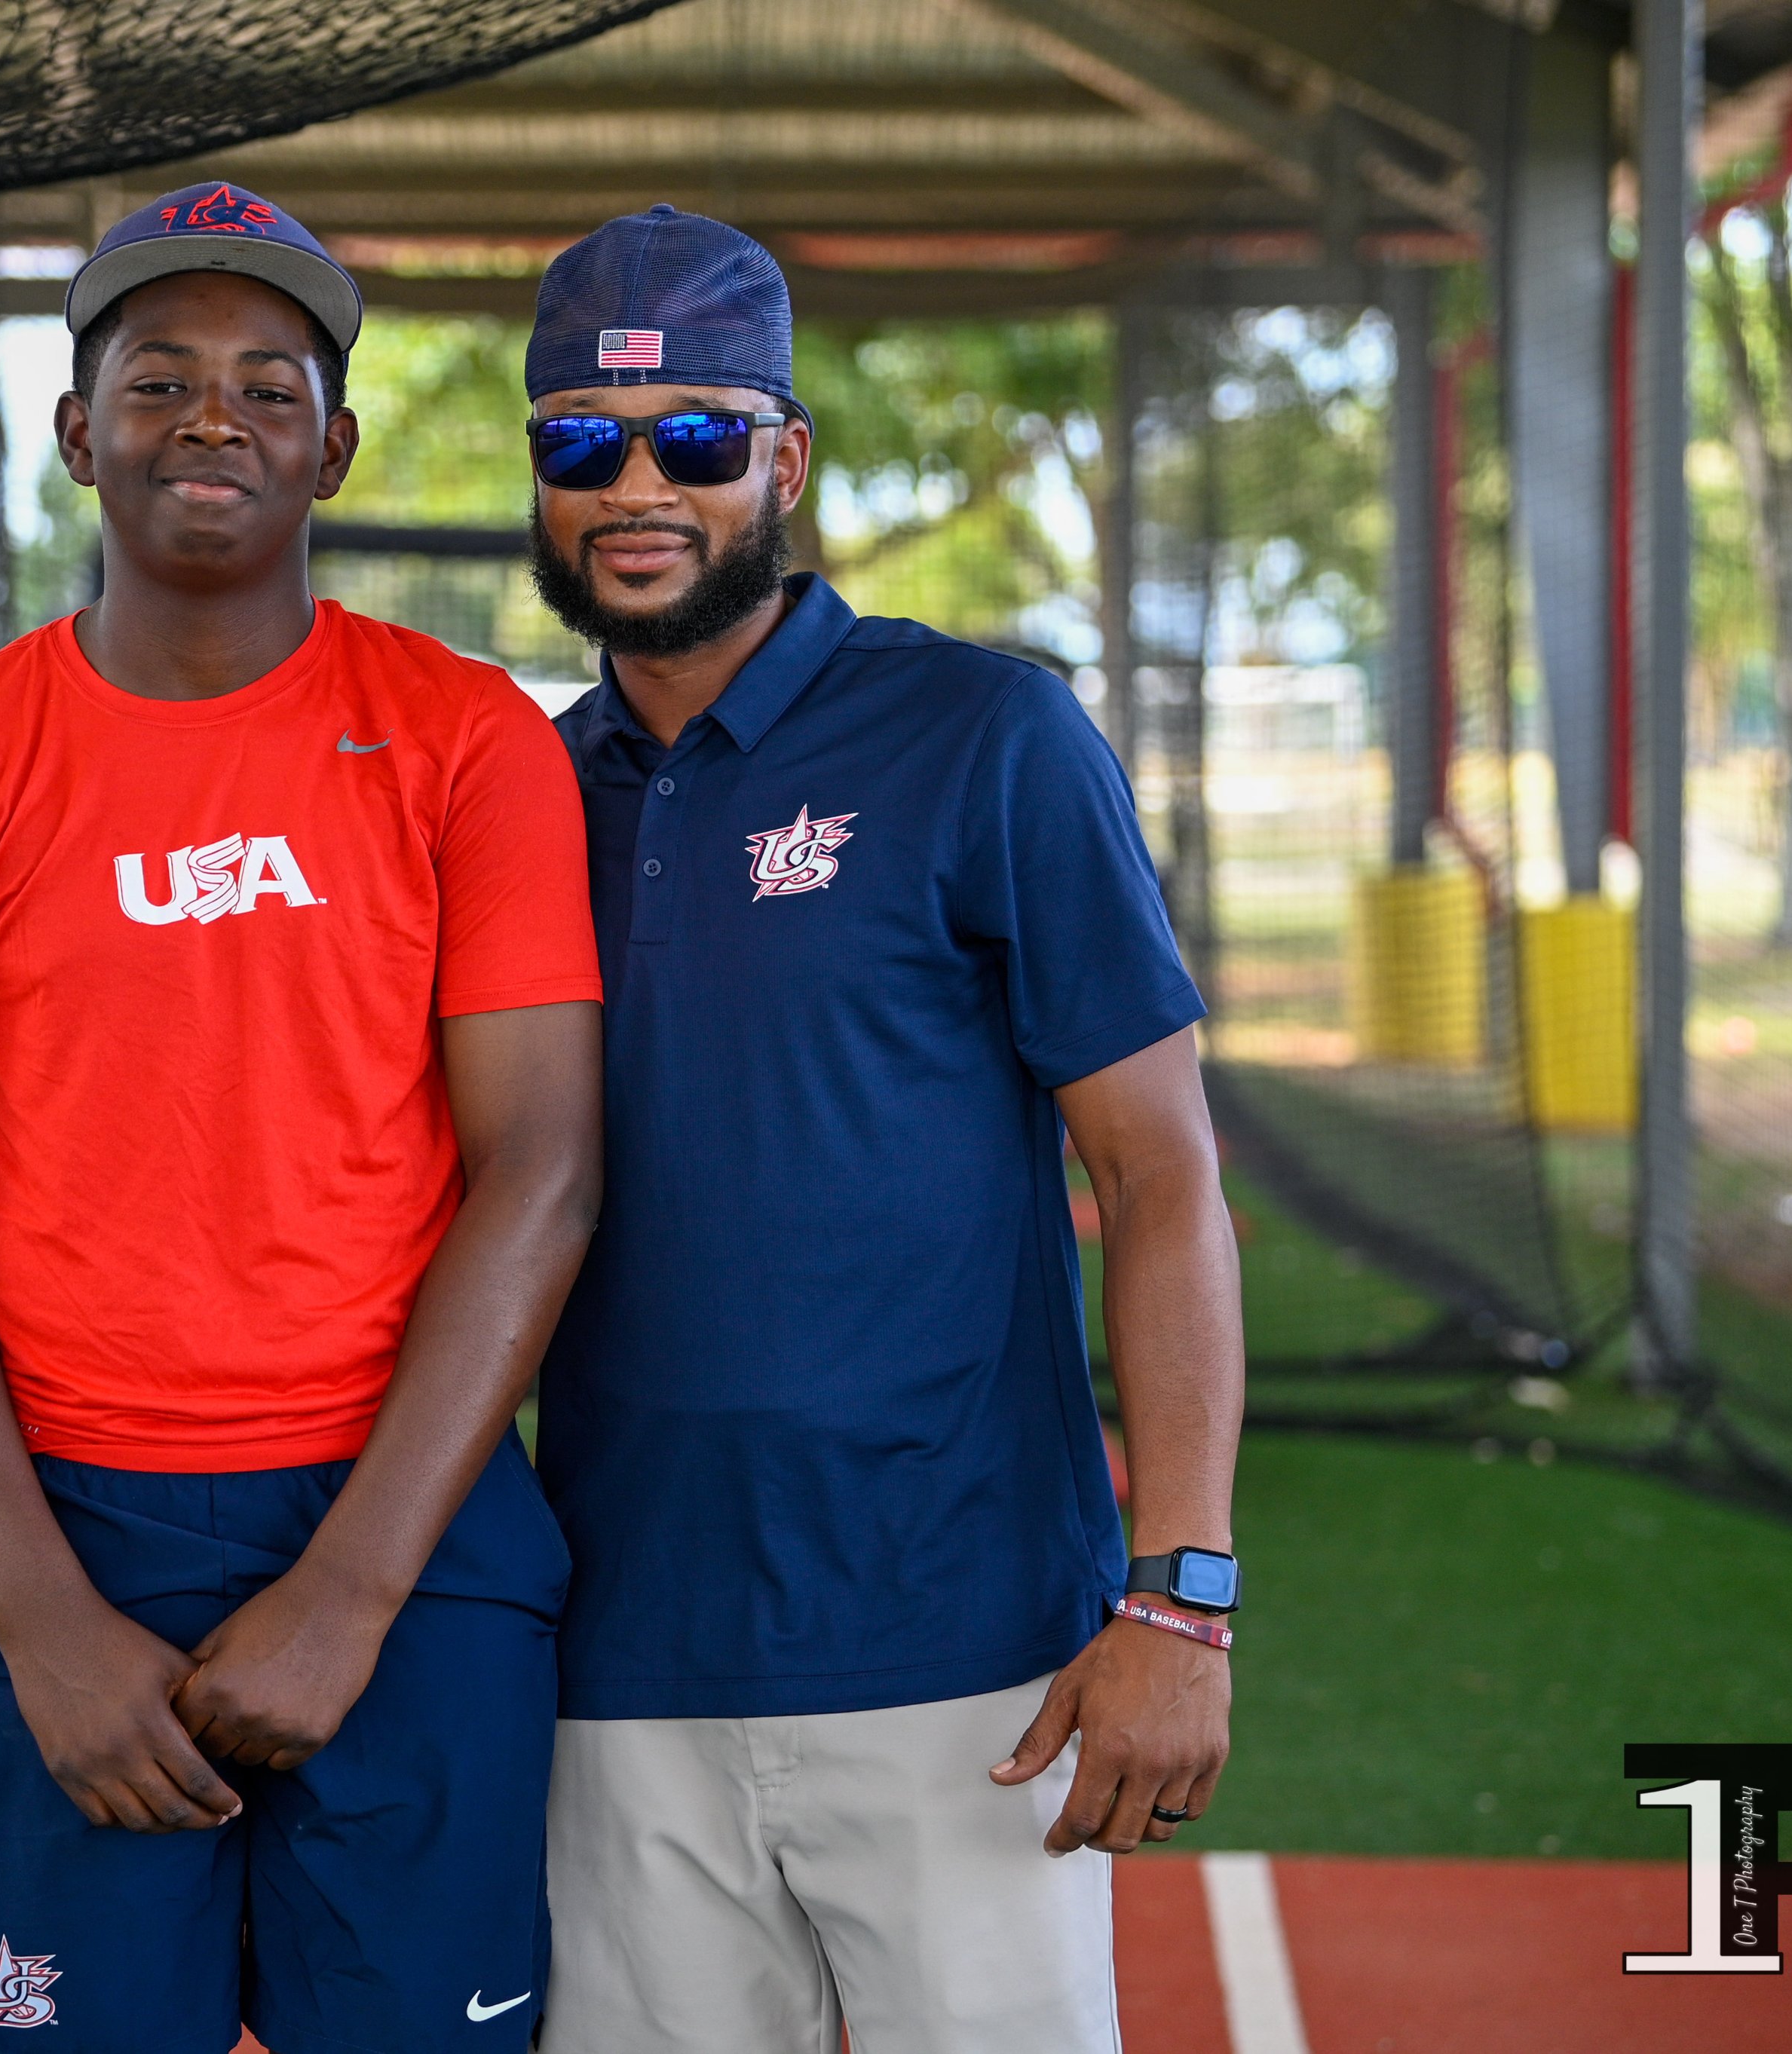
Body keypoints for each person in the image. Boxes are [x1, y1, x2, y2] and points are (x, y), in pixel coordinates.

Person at [0, 182, 604, 2053]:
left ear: (336, 442)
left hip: (404, 1525)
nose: (210, 415)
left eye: (266, 380)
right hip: (65, 1520)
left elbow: (541, 1170)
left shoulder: (467, 737)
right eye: (155, 378)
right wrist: (40, 1623)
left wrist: (348, 1589)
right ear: (80, 434)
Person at [519, 206, 1246, 2054]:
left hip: (966, 1663)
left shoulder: (987, 734)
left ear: (785, 458)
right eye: (580, 443)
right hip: (612, 1662)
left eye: (694, 435)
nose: (635, 486)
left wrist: (1180, 1598)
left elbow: (1155, 1170)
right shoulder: (513, 795)